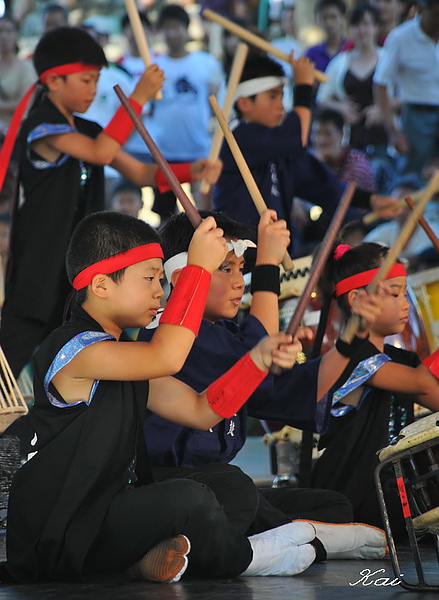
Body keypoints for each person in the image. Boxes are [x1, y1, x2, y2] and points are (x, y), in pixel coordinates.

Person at [5, 210, 322, 583]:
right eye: (149, 278)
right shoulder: (76, 350)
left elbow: (201, 410)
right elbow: (168, 356)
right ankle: (243, 556)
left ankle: (149, 559)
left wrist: (256, 360)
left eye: (161, 278)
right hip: (60, 528)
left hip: (104, 511)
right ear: (102, 285)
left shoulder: (123, 356)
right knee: (191, 498)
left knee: (226, 486)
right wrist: (198, 271)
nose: (159, 290)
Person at [138, 209, 389, 561]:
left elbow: (289, 391)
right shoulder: (169, 333)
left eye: (243, 269)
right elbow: (254, 359)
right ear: (183, 277)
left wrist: (351, 340)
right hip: (173, 486)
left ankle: (290, 536)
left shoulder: (222, 334)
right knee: (235, 490)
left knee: (332, 504)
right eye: (226, 269)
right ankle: (298, 540)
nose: (241, 282)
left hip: (218, 485)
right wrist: (268, 264)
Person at [0, 26, 221, 381]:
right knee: (16, 345)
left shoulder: (87, 128)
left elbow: (141, 173)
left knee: (79, 339)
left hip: (81, 259)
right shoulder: (41, 127)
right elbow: (102, 154)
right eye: (86, 80)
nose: (93, 89)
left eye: (96, 80)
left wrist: (190, 170)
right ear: (53, 81)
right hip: (41, 257)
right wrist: (138, 96)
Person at [213, 52, 400, 258]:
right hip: (239, 257)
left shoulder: (281, 147)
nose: (281, 106)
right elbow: (297, 138)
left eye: (283, 96)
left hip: (272, 255)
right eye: (273, 96)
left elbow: (323, 185)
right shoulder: (237, 136)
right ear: (244, 104)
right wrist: (303, 87)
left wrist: (370, 201)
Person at [311, 241, 439, 539]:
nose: (406, 302)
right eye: (395, 293)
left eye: (405, 292)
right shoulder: (353, 358)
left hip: (397, 487)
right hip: (359, 495)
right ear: (356, 300)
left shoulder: (404, 361)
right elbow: (421, 382)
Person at [142, 4, 224, 223]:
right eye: (166, 28)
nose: (172, 33)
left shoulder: (206, 64)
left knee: (203, 210)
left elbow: (217, 106)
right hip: (164, 150)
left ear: (186, 29)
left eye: (176, 27)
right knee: (166, 214)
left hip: (198, 147)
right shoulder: (154, 66)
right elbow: (146, 106)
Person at [316, 3, 393, 192]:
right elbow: (322, 99)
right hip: (351, 141)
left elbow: (405, 96)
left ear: (376, 27)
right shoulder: (340, 62)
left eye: (367, 24)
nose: (362, 30)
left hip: (384, 140)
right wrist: (341, 108)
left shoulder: (388, 58)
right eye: (357, 25)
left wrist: (383, 108)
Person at [373, 0, 439, 181]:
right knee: (410, 177)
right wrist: (393, 130)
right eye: (435, 15)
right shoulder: (400, 37)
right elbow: (380, 83)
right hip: (415, 115)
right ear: (420, 10)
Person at [311, 107, 377, 192]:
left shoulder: (357, 163)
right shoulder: (309, 158)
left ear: (341, 134)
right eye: (317, 133)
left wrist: (319, 167)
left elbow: (340, 198)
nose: (321, 140)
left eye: (328, 134)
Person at [304, 0, 348, 100]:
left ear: (343, 19)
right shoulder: (311, 53)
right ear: (318, 21)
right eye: (324, 18)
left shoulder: (351, 49)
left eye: (333, 17)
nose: (329, 23)